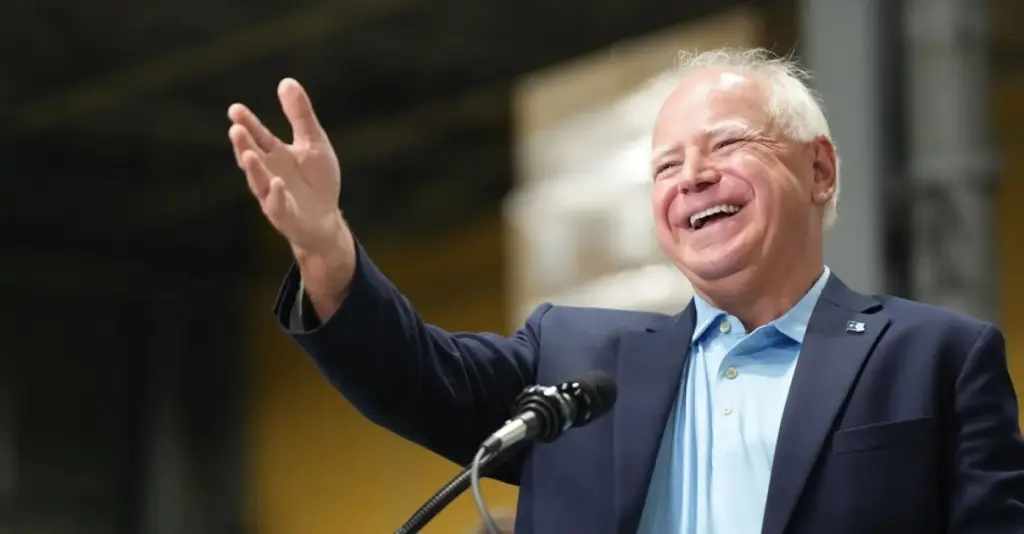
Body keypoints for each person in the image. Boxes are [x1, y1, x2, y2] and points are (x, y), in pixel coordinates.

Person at [226, 48, 1024, 533]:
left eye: (726, 145)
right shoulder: (574, 364)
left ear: (818, 169)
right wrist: (326, 246)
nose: (692, 177)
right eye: (666, 166)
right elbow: (412, 375)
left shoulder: (936, 360)